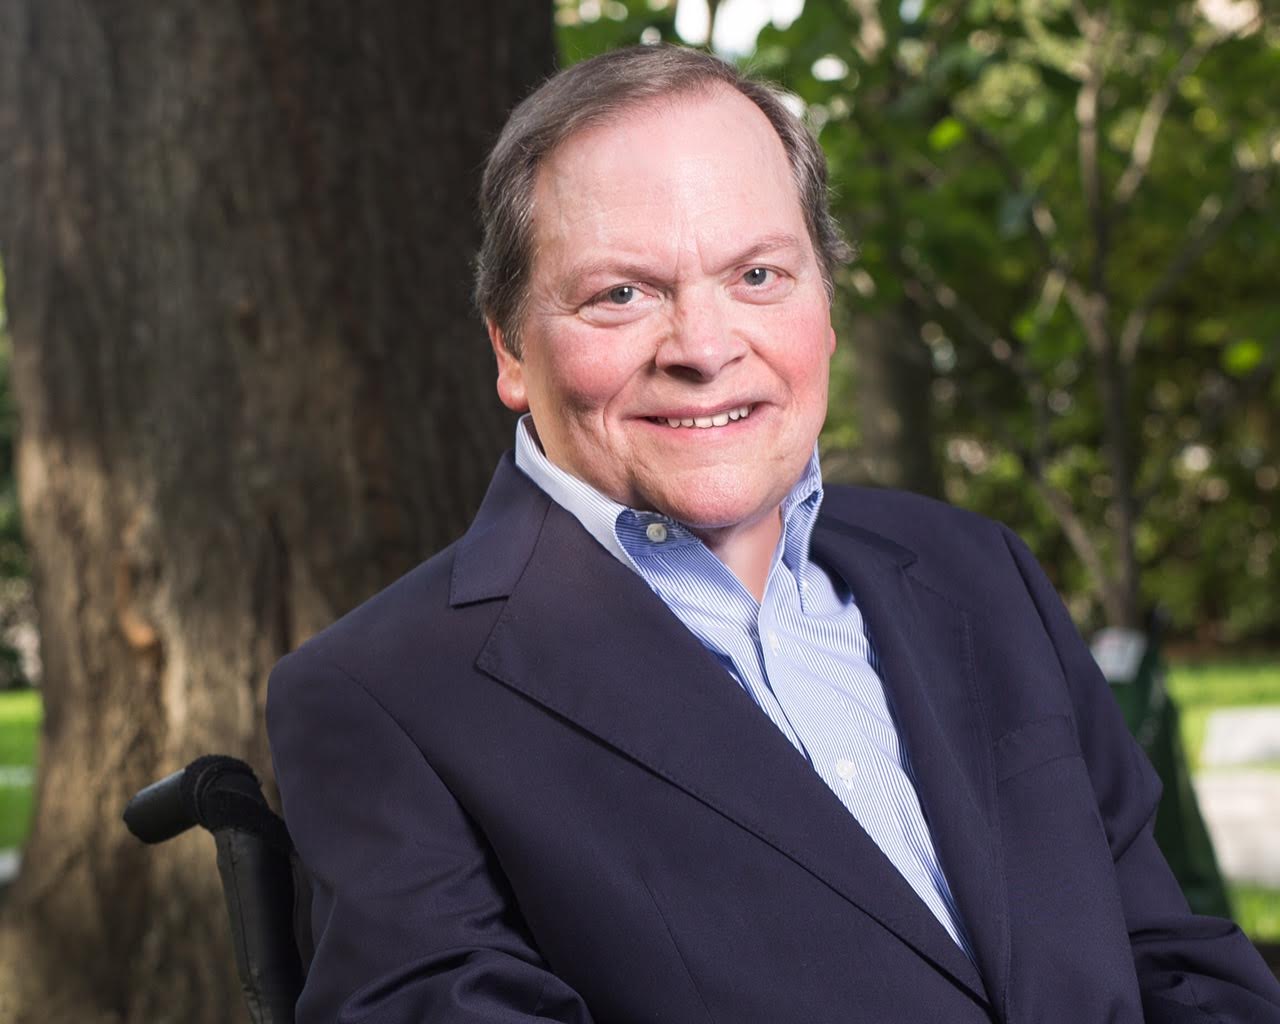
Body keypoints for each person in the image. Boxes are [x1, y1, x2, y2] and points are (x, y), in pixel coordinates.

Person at [267, 45, 1280, 1023]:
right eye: (621, 294)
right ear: (509, 350)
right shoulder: (384, 697)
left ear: (825, 305)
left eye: (756, 275)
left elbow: (1175, 959)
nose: (705, 348)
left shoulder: (976, 569)